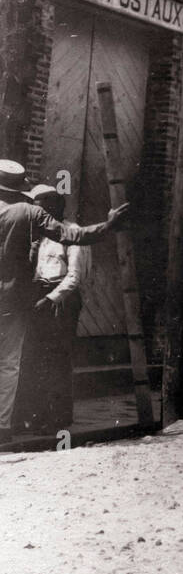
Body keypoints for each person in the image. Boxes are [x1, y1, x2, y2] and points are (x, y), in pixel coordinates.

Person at [0, 159, 128, 443]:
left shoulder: (27, 216)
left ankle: (38, 418)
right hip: (15, 300)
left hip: (44, 299)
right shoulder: (29, 215)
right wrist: (109, 225)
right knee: (10, 363)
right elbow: (74, 236)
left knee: (41, 359)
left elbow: (74, 271)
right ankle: (4, 426)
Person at [14, 184, 92, 434]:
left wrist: (51, 299)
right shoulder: (37, 234)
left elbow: (75, 276)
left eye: (42, 207)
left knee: (58, 356)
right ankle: (34, 414)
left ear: (54, 206)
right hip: (38, 297)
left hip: (61, 300)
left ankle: (57, 416)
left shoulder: (72, 232)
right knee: (35, 356)